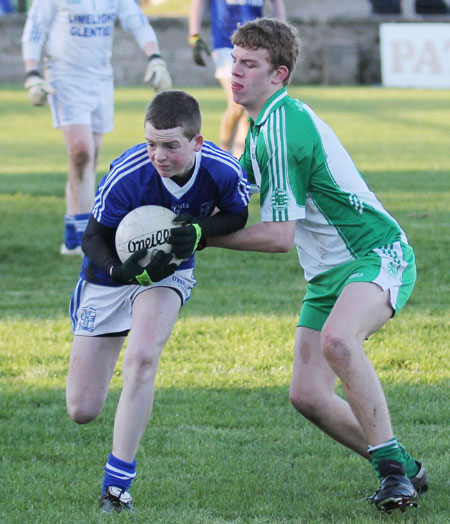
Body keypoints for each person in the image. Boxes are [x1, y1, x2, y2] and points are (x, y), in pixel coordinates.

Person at [206, 18, 428, 514]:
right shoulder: (260, 128)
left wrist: (201, 238)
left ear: (279, 74)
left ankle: (392, 475)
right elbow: (230, 200)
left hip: (375, 253)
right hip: (328, 273)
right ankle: (407, 467)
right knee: (307, 395)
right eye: (235, 62)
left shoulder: (285, 127)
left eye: (249, 64)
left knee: (337, 340)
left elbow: (279, 237)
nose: (235, 73)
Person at [65, 90, 250, 513]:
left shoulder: (222, 169)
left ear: (197, 142)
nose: (159, 155)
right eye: (151, 143)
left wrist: (200, 231)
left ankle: (116, 488)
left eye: (170, 145)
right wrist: (117, 272)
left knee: (143, 357)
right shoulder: (128, 174)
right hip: (107, 276)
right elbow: (92, 237)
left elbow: (235, 214)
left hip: (168, 274)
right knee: (82, 409)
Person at [22, 0, 172, 256]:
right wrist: (32, 74)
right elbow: (35, 30)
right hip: (64, 77)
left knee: (89, 156)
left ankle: (74, 233)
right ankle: (84, 234)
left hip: (101, 78)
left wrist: (155, 58)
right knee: (81, 151)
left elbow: (137, 21)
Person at [188, 0, 286, 158]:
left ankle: (238, 162)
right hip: (226, 45)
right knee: (237, 103)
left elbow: (276, 3)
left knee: (249, 108)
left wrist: (281, 33)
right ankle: (223, 152)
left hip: (256, 47)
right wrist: (194, 35)